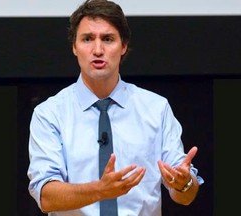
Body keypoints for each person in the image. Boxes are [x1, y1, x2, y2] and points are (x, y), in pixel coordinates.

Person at [27, 0, 204, 215]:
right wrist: (99, 191)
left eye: (108, 39)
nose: (98, 49)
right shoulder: (50, 114)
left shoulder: (156, 108)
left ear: (123, 46)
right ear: (74, 47)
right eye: (87, 39)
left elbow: (184, 195)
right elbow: (45, 196)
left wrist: (183, 183)